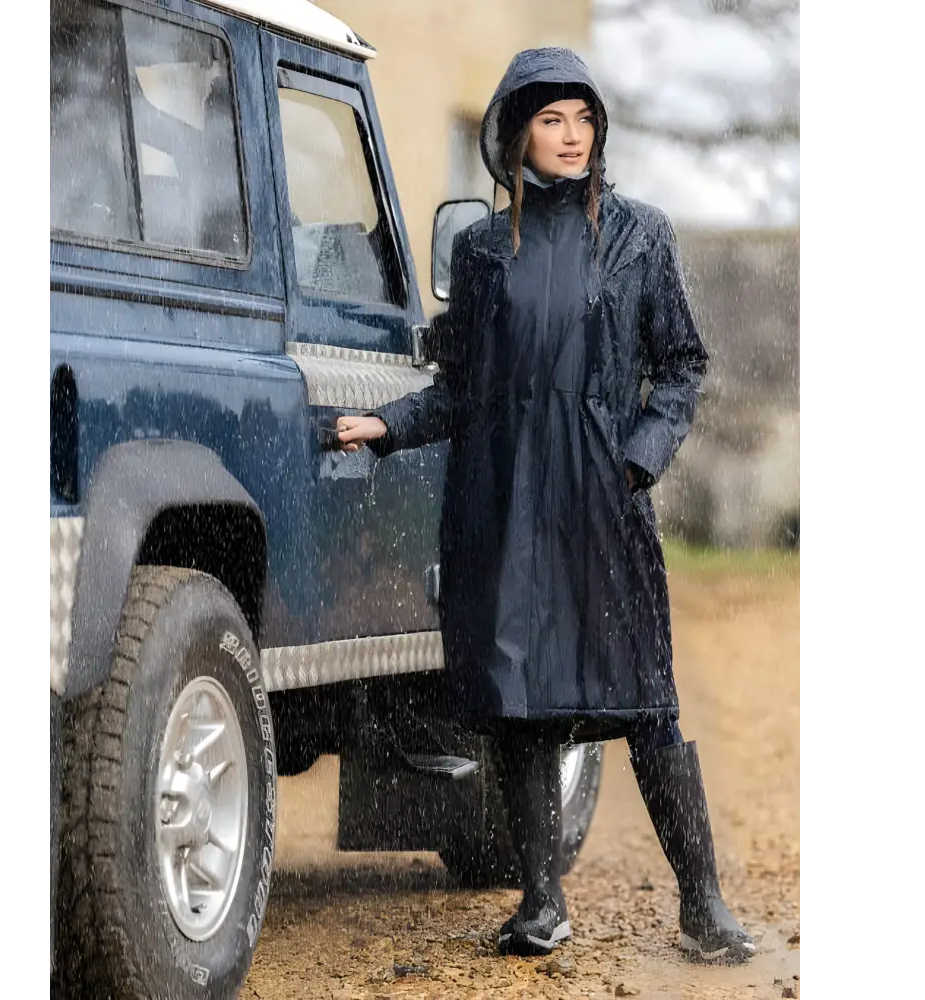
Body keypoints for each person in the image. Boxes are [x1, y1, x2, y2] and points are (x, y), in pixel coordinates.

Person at [335, 47, 755, 964]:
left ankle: (703, 904)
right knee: (521, 702)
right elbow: (460, 386)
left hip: (603, 503)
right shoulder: (483, 249)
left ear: (600, 130)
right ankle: (540, 900)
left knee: (646, 701)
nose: (572, 136)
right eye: (552, 119)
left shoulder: (641, 234)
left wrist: (638, 461)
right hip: (505, 503)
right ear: (518, 131)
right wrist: (388, 425)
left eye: (584, 119)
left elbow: (682, 366)